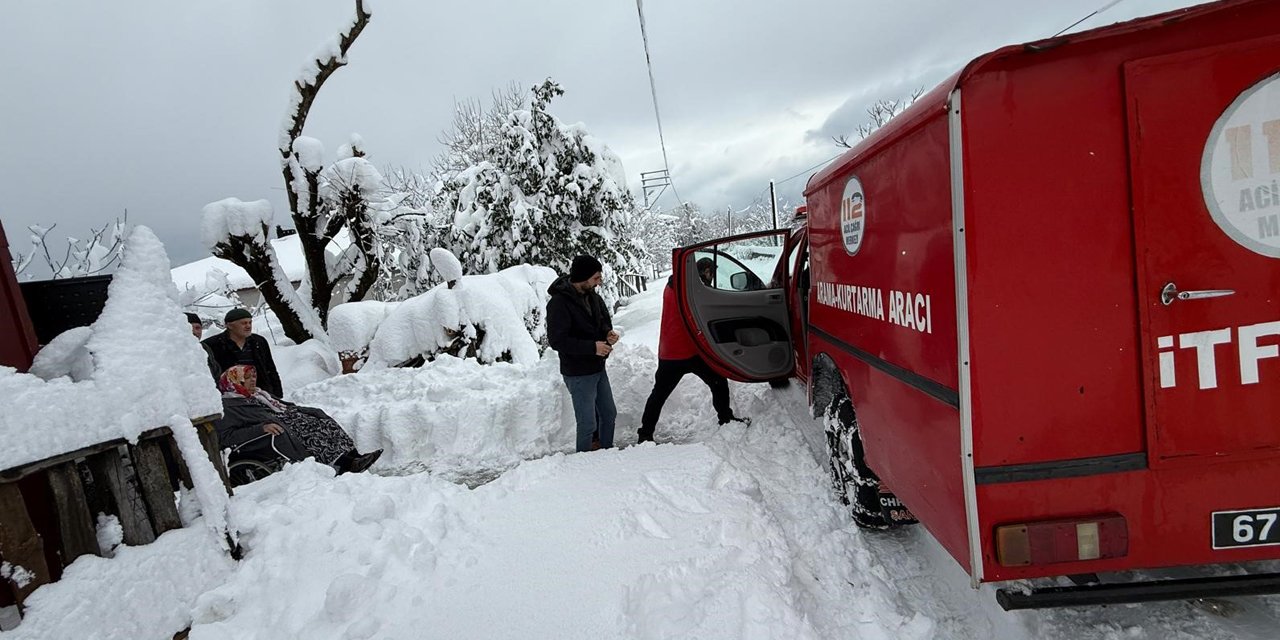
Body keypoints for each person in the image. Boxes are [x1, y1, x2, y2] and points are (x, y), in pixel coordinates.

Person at [638, 258, 745, 443]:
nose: (712, 277)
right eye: (711, 273)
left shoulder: (675, 284)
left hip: (671, 352)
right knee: (718, 382)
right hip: (687, 351)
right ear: (705, 271)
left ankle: (645, 434)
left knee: (659, 394)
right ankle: (725, 419)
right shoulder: (691, 289)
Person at [215, 364, 382, 473]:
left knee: (320, 420)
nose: (253, 380)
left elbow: (284, 406)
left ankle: (353, 456)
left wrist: (305, 411)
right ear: (235, 382)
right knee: (305, 429)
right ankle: (344, 464)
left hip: (284, 417)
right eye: (247, 378)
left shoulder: (259, 394)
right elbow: (226, 436)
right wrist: (260, 429)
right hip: (269, 431)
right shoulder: (229, 406)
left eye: (254, 376)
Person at [546, 255, 619, 452]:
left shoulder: (593, 296)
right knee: (587, 424)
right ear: (583, 277)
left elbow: (603, 322)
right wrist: (592, 347)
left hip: (598, 367)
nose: (599, 282)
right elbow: (557, 340)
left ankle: (607, 453)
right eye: (596, 278)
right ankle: (583, 463)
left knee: (609, 414)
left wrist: (608, 333)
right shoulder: (559, 303)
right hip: (577, 373)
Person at [203, 308, 284, 398]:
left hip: (261, 394)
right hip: (229, 397)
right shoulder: (212, 345)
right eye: (244, 323)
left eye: (250, 322)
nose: (248, 326)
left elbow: (270, 369)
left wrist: (277, 395)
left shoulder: (259, 342)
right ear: (230, 325)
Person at [186, 312, 221, 381]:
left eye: (197, 328)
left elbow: (216, 374)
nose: (194, 332)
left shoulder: (205, 348)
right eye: (189, 328)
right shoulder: (174, 352)